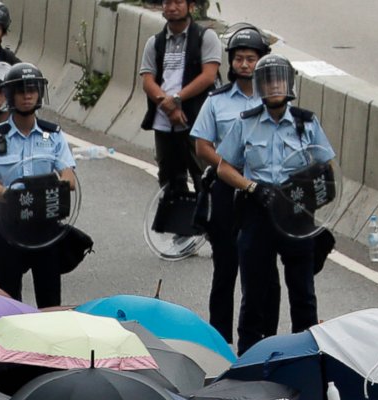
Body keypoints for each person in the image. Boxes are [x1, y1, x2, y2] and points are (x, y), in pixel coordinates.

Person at [212, 54, 333, 351]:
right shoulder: (248, 123)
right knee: (254, 294)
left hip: (296, 213)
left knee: (303, 294)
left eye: (279, 80)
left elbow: (327, 169)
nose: (274, 86)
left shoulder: (307, 122)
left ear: (289, 83)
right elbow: (224, 167)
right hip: (259, 211)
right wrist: (252, 187)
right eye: (268, 81)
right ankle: (249, 360)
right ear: (259, 86)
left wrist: (306, 192)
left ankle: (304, 356)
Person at [0, 64, 77, 308]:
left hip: (45, 225)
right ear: (11, 95)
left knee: (50, 296)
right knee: (8, 296)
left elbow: (69, 178)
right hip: (8, 225)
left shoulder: (52, 135)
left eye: (32, 89)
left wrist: (44, 191)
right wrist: (10, 196)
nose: (27, 95)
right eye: (21, 91)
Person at [189, 27, 266, 344]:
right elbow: (202, 146)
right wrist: (227, 167)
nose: (245, 65)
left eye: (251, 59)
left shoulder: (272, 99)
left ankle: (253, 342)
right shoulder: (216, 102)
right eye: (239, 59)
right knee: (225, 271)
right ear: (230, 63)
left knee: (258, 273)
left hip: (261, 193)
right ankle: (218, 343)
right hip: (225, 191)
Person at [137, 0, 218, 232]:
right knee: (170, 179)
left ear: (191, 6)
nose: (172, 7)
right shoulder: (155, 43)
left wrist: (177, 100)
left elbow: (208, 76)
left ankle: (213, 231)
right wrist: (167, 104)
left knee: (204, 176)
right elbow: (148, 81)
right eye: (167, 2)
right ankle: (181, 231)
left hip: (196, 121)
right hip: (164, 123)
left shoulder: (205, 38)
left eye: (178, 2)